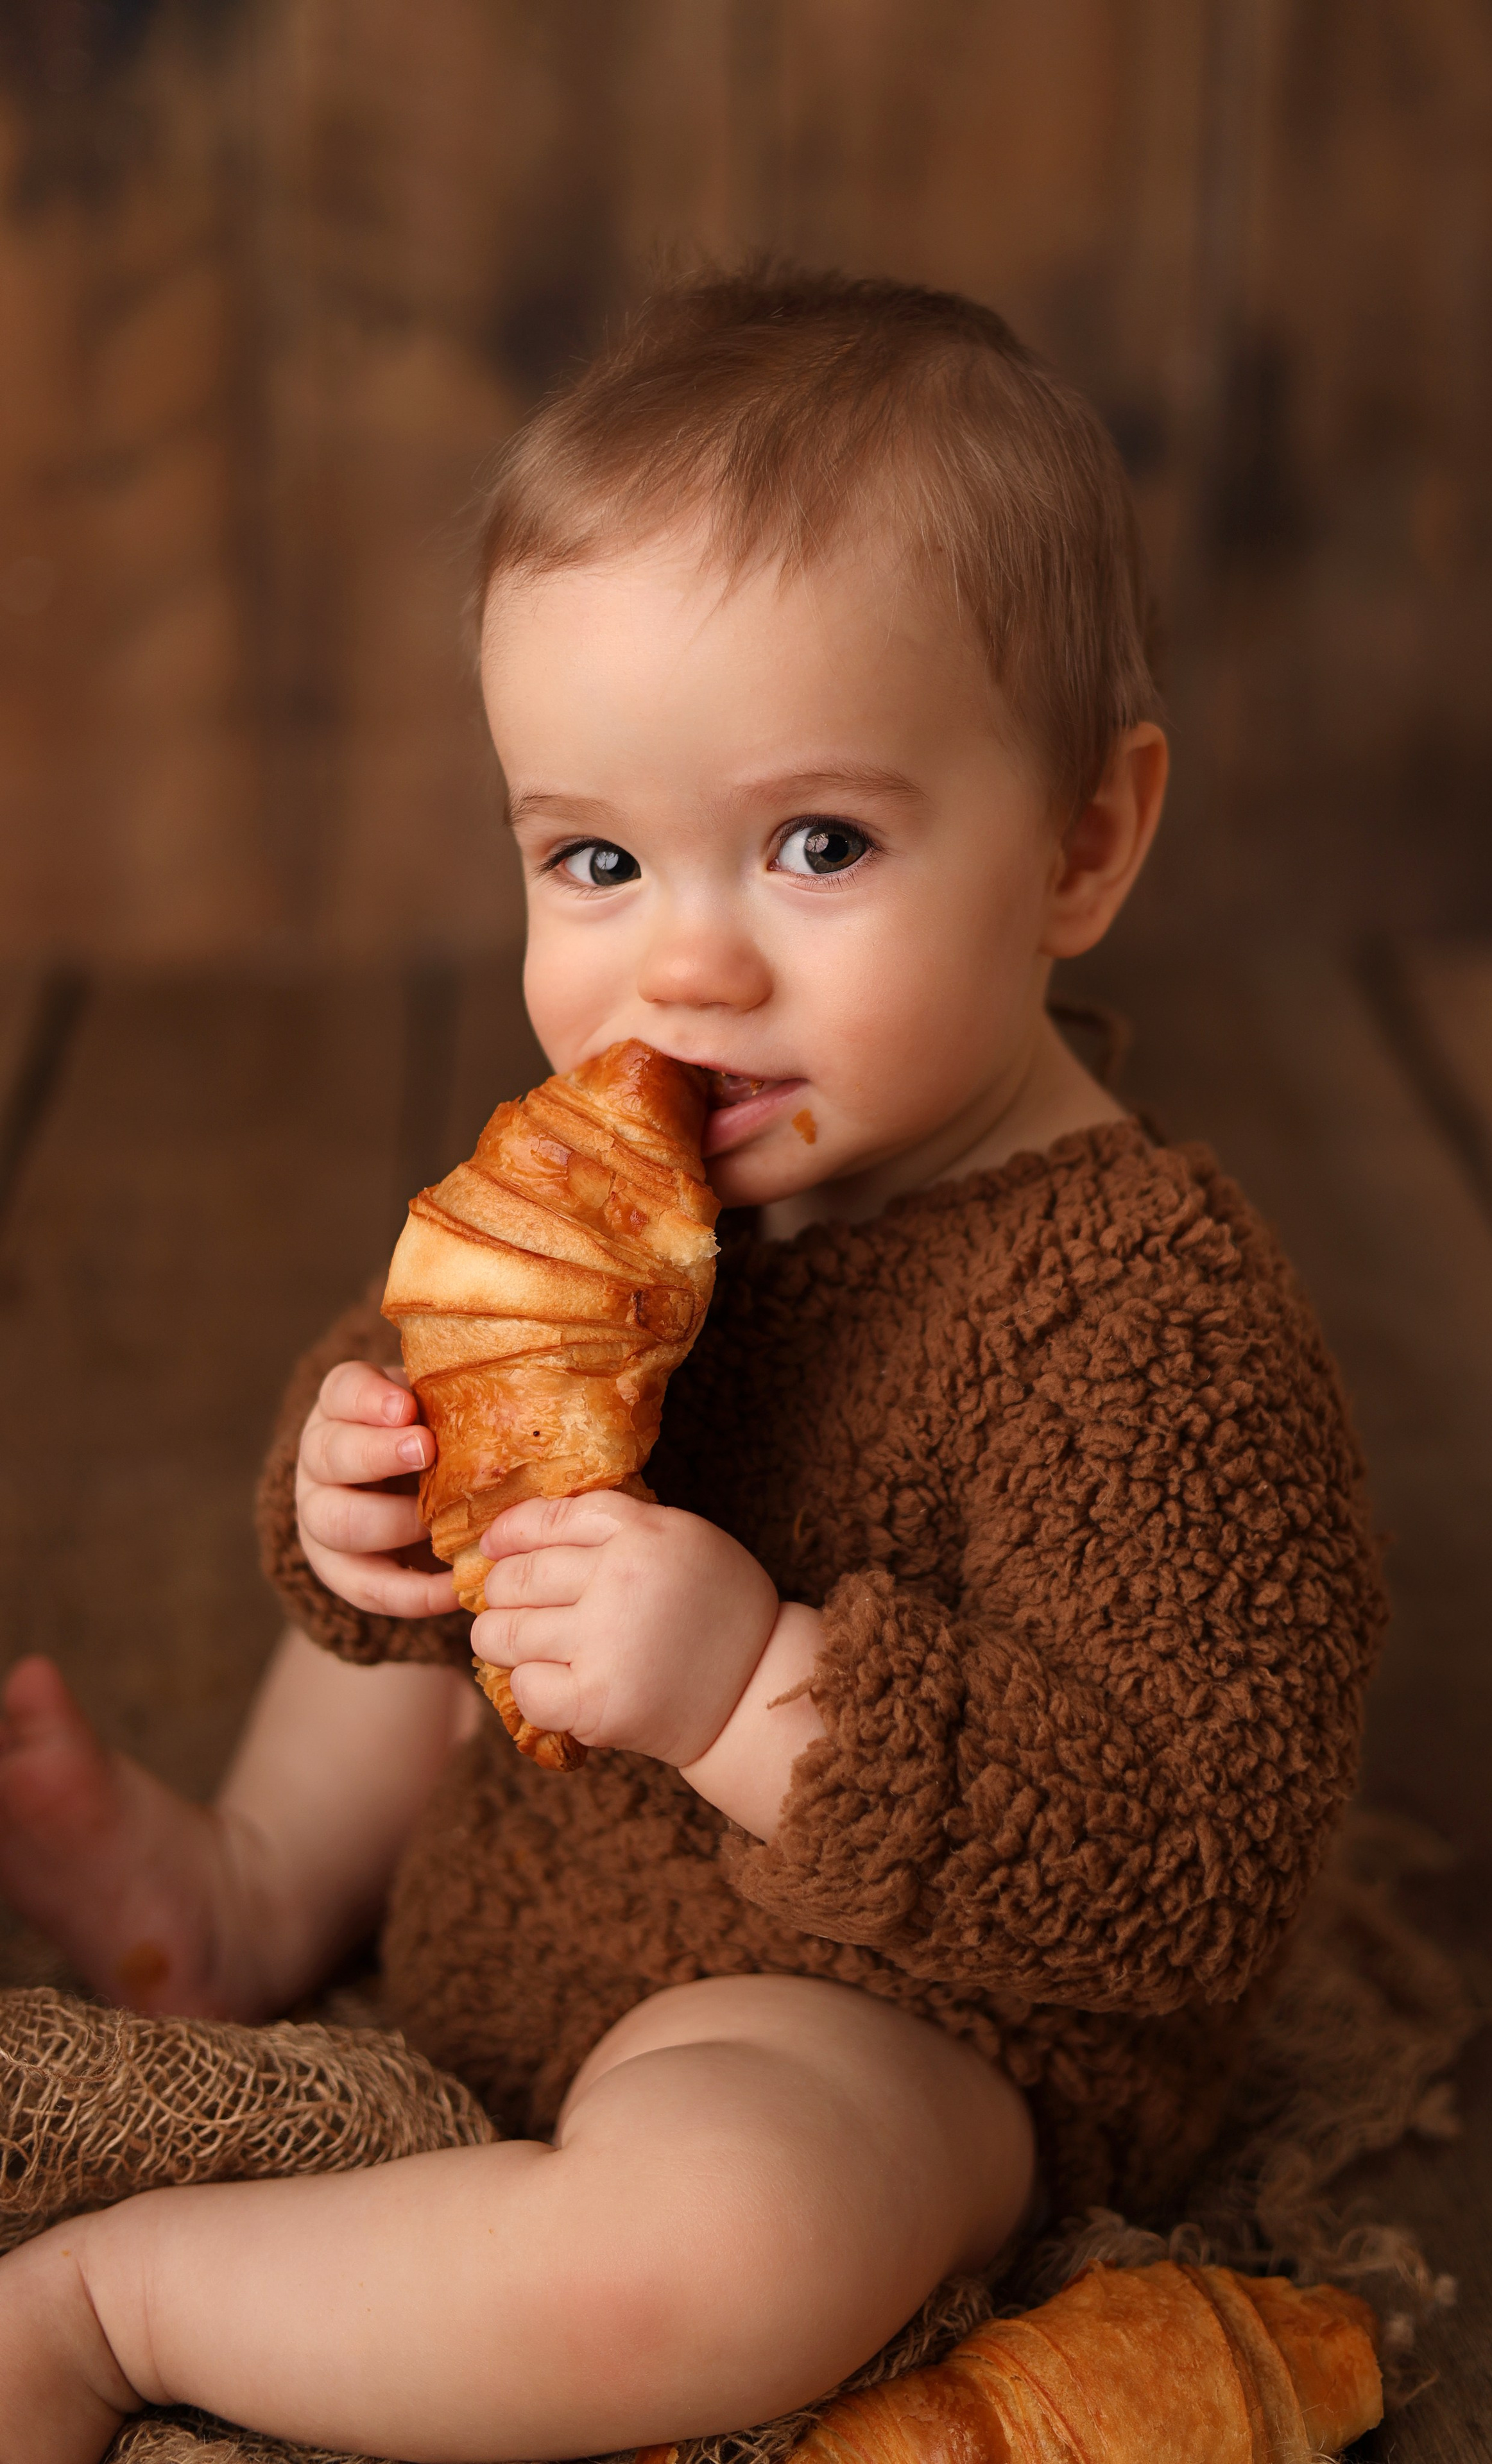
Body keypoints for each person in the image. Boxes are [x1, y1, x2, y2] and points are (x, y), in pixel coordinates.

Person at [0, 268, 1385, 2462]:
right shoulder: (661, 1178)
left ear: (1082, 844)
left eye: (818, 843)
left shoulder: (1147, 1316)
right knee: (446, 1468)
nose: (690, 956)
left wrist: (758, 1694)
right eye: (599, 858)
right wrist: (351, 1491)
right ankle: (251, 1886)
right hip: (539, 1860)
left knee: (720, 2248)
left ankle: (108, 2303)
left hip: (883, 2006)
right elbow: (444, 1391)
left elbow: (1179, 1848)